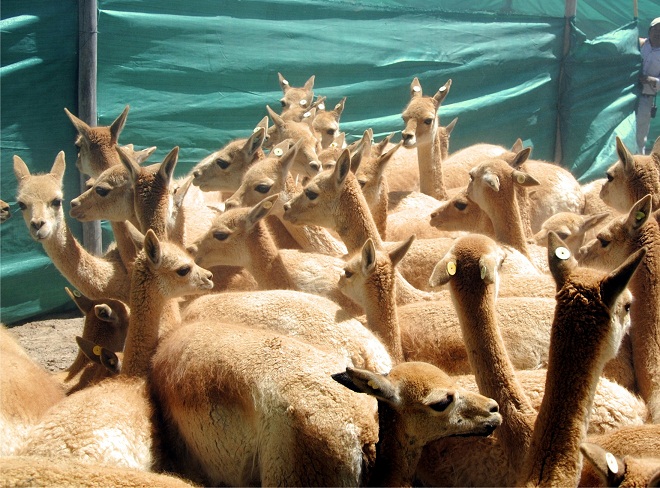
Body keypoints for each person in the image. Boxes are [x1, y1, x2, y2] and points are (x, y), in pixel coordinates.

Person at [636, 17, 660, 154]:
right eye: (655, 29)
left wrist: (651, 79)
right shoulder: (639, 44)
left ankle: (638, 162)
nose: (658, 33)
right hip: (627, 95)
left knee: (640, 135)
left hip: (646, 97)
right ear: (650, 31)